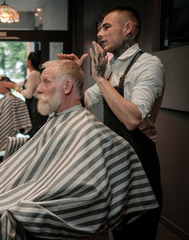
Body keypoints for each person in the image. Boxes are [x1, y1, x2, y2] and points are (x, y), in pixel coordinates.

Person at [0, 60, 159, 240]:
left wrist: (27, 202)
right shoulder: (59, 120)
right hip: (30, 190)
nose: (38, 89)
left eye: (46, 82)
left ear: (67, 87)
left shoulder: (88, 130)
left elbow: (88, 190)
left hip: (45, 201)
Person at [59, 6, 164, 240]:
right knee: (116, 232)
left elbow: (133, 119)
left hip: (141, 165)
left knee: (137, 233)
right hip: (115, 164)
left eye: (106, 27)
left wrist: (98, 77)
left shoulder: (149, 64)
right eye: (99, 28)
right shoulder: (111, 68)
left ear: (127, 29)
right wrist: (75, 79)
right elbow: (84, 102)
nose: (99, 33)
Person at [2, 51, 48, 137]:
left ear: (29, 62)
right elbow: (20, 84)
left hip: (35, 107)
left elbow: (28, 94)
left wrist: (15, 88)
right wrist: (8, 82)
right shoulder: (34, 74)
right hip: (34, 106)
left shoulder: (34, 74)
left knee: (34, 132)